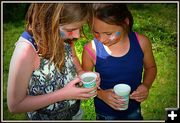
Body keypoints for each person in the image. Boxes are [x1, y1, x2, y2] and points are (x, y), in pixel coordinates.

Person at [7, 3, 99, 120]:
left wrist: (81, 73)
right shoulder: (26, 51)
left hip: (75, 114)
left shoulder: (62, 37)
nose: (77, 35)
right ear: (49, 22)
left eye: (79, 28)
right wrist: (64, 94)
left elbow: (73, 57)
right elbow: (15, 105)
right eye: (70, 30)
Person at [82, 3, 157, 120]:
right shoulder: (91, 50)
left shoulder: (142, 43)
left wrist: (146, 85)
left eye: (108, 33)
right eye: (96, 32)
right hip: (105, 114)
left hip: (134, 110)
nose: (101, 39)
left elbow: (151, 67)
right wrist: (102, 95)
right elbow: (86, 84)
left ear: (125, 23)